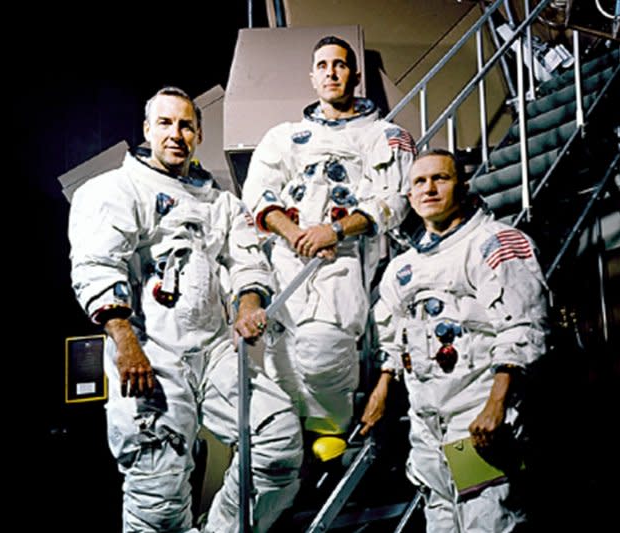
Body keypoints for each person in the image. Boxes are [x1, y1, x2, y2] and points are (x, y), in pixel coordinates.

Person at [69, 87, 303, 532]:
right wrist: (125, 344)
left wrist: (247, 305)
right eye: (165, 124)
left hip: (214, 351)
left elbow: (247, 262)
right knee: (157, 498)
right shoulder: (115, 190)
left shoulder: (221, 204)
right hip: (151, 354)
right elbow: (99, 265)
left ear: (198, 134)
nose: (176, 134)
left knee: (277, 444)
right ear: (146, 130)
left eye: (186, 125)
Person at [241, 36, 415, 456]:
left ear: (354, 76)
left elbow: (392, 200)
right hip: (285, 259)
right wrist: (294, 234)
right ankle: (292, 442)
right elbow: (258, 192)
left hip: (344, 260)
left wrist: (333, 232)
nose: (331, 73)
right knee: (278, 362)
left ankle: (330, 429)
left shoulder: (386, 135)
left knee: (323, 351)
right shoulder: (285, 136)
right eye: (322, 66)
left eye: (339, 65)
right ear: (313, 77)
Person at [359, 149, 549, 532]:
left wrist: (496, 405)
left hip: (474, 413)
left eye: (439, 179)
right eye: (419, 182)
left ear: (460, 187)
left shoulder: (493, 243)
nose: (428, 188)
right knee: (441, 518)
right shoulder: (402, 268)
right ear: (409, 196)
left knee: (486, 517)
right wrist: (382, 388)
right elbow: (396, 336)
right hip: (427, 419)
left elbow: (523, 327)